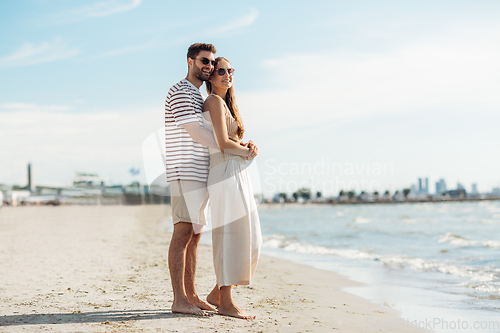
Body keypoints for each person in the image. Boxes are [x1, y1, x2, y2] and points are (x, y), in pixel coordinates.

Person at [202, 57, 262, 319]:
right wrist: (246, 150)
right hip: (224, 171)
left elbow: (231, 141)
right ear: (211, 77)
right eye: (222, 71)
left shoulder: (226, 105)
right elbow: (223, 143)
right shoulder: (213, 101)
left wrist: (248, 146)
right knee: (230, 235)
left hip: (235, 172)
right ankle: (225, 302)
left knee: (251, 238)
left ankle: (217, 292)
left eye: (231, 70)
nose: (228, 74)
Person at [164, 43, 220, 316]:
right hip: (185, 171)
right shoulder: (181, 91)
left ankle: (192, 295)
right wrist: (231, 145)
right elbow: (195, 133)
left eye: (211, 62)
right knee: (183, 232)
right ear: (190, 61)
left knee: (194, 236)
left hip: (200, 173)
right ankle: (179, 300)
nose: (208, 66)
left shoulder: (197, 95)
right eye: (204, 61)